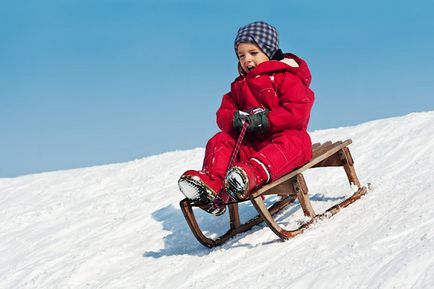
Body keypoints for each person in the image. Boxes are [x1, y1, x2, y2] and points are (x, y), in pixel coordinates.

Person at [178, 21, 315, 215]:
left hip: (285, 142)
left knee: (294, 140)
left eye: (253, 53)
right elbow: (223, 112)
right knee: (220, 139)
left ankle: (248, 176)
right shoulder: (240, 85)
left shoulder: (285, 76)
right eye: (241, 55)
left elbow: (298, 110)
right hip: (253, 146)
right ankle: (214, 186)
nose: (246, 60)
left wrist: (266, 120)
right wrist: (234, 118)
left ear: (269, 51)